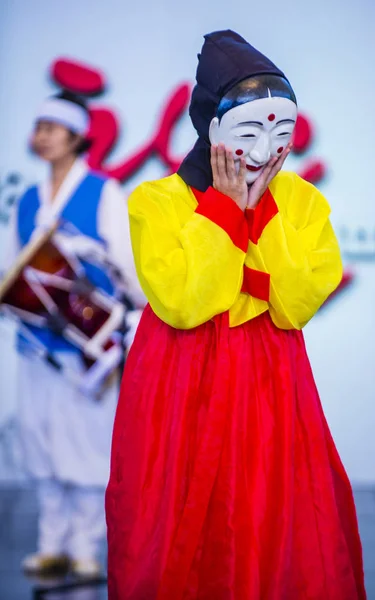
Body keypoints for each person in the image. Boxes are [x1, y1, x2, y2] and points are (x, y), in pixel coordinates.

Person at [106, 30, 366, 599]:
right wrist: (225, 210)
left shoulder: (301, 201)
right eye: (250, 129)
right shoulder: (157, 201)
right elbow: (182, 302)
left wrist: (262, 213)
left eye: (283, 130)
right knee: (174, 513)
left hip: (270, 374)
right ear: (211, 128)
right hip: (180, 378)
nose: (268, 147)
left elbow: (297, 301)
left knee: (273, 511)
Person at [5, 90, 145, 577]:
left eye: (51, 127)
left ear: (76, 136)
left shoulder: (103, 191)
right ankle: (51, 544)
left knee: (87, 444)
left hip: (88, 347)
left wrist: (129, 310)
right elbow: (10, 268)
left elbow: (129, 268)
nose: (41, 136)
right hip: (35, 347)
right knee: (39, 441)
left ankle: (86, 547)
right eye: (38, 126)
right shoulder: (25, 199)